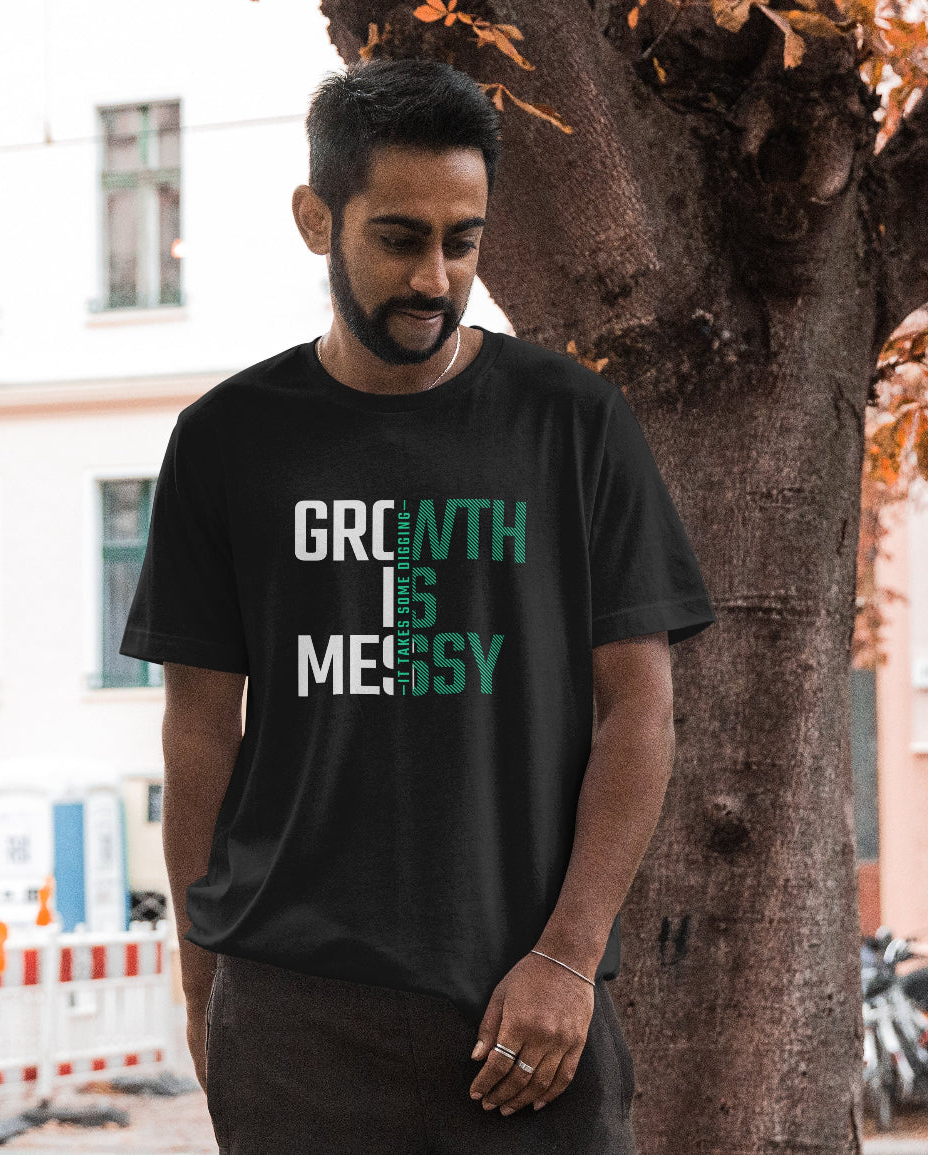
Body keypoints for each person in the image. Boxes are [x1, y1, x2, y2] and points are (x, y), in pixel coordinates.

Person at [120, 56, 715, 1155]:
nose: (436, 277)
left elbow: (640, 712)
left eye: (463, 240)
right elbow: (200, 731)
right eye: (400, 237)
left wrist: (568, 957)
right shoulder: (227, 442)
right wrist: (203, 989)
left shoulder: (573, 424)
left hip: (527, 1010)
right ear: (318, 219)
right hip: (296, 1014)